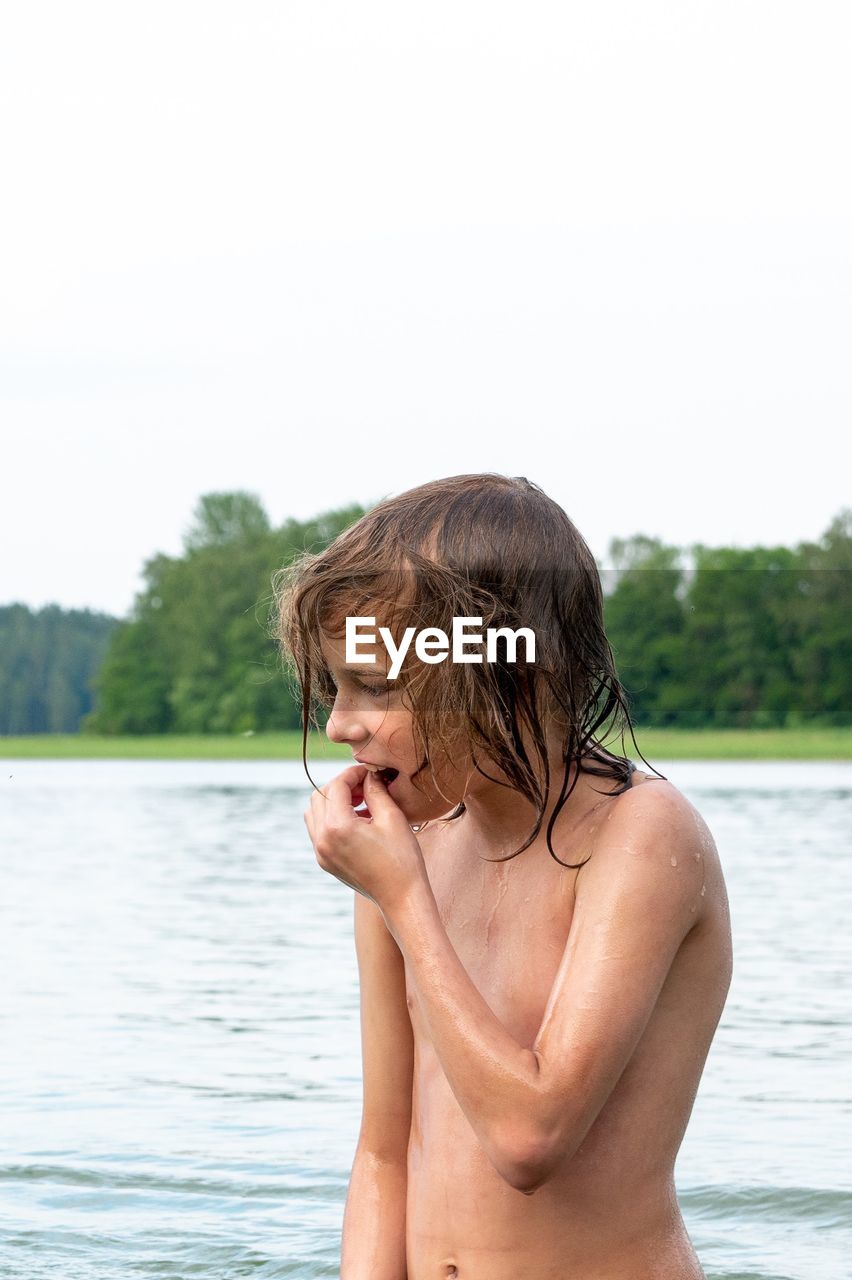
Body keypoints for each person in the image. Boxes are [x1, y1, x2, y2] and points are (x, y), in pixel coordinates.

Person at [275, 473, 732, 1280]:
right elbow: (386, 1153)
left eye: (375, 687)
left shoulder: (641, 836)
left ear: (505, 672)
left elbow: (531, 1138)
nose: (341, 724)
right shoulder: (409, 847)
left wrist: (405, 900)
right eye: (335, 689)